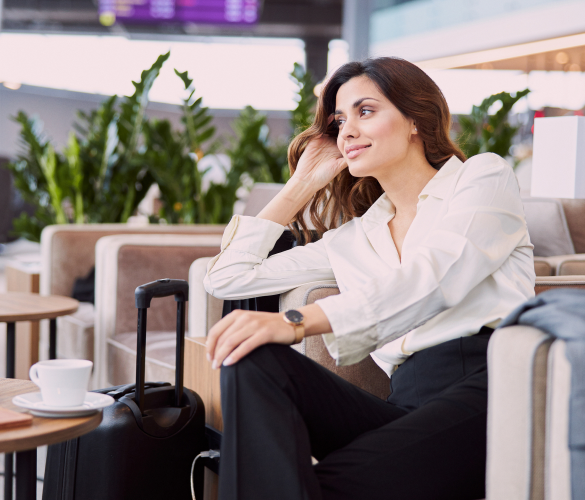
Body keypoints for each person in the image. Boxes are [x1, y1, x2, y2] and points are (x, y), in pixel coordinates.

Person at [203, 57, 535, 500]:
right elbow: (227, 278)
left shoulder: (482, 177)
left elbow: (433, 278)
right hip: (405, 408)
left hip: (490, 389)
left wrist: (295, 322)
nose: (347, 131)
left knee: (299, 486)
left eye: (365, 111)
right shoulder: (354, 239)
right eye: (340, 120)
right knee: (251, 361)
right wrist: (302, 183)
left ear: (416, 119)